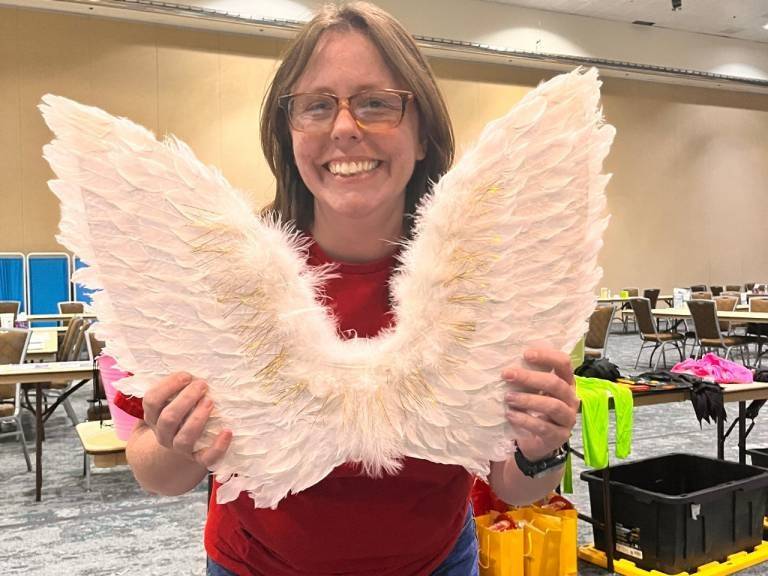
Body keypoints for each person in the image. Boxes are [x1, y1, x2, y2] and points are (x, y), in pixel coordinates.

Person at [114, 3, 579, 575]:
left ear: (423, 132)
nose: (343, 128)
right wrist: (174, 440)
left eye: (377, 103)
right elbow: (156, 475)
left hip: (434, 565)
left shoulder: (485, 277)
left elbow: (517, 489)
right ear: (289, 136)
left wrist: (542, 447)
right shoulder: (223, 279)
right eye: (315, 106)